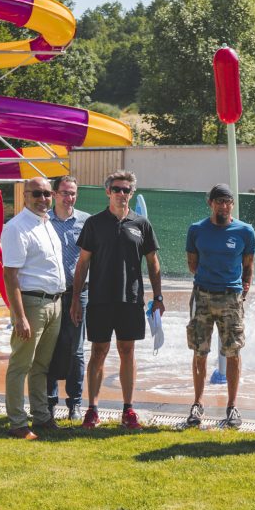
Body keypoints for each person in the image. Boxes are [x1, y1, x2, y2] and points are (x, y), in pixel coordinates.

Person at [70, 170, 164, 430]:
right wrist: (76, 299)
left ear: (131, 194)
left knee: (127, 351)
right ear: (108, 192)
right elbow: (83, 264)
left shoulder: (141, 224)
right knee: (98, 352)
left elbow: (153, 263)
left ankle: (128, 409)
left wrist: (158, 298)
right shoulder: (94, 223)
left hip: (130, 300)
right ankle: (92, 409)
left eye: (126, 190)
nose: (122, 194)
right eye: (117, 189)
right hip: (100, 299)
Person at [184, 184, 255, 429]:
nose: (223, 206)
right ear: (210, 203)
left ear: (232, 204)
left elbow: (248, 266)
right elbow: (192, 264)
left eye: (227, 201)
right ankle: (197, 403)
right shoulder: (196, 230)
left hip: (231, 298)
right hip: (202, 296)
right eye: (218, 201)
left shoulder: (245, 231)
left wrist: (243, 289)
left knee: (233, 352)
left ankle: (232, 406)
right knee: (199, 351)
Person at [0, 176, 66, 440]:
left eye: (47, 193)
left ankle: (41, 416)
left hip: (53, 302)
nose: (43, 199)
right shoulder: (17, 228)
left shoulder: (47, 224)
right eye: (37, 194)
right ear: (25, 196)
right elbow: (10, 275)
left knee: (41, 365)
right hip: (31, 303)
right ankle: (17, 422)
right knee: (21, 364)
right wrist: (19, 316)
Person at [46, 176, 90, 421]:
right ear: (54, 194)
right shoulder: (43, 221)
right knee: (49, 347)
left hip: (77, 292)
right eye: (64, 193)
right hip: (50, 293)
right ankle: (49, 402)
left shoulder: (86, 222)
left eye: (72, 193)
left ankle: (74, 403)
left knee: (75, 350)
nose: (69, 197)